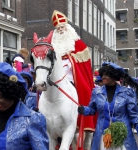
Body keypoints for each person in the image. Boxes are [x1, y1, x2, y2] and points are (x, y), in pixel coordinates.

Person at [51, 10, 95, 145]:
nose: (60, 30)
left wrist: (71, 62)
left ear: (67, 27)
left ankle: (81, 120)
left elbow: (85, 67)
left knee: (85, 93)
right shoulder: (53, 46)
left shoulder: (79, 45)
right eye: (58, 28)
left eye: (62, 27)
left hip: (74, 80)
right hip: (56, 81)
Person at [78, 62, 138, 150]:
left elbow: (134, 116)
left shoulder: (126, 93)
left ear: (114, 76)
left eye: (107, 74)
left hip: (122, 136)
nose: (103, 77)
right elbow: (92, 109)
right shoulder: (96, 92)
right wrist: (84, 110)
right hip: (102, 136)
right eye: (102, 74)